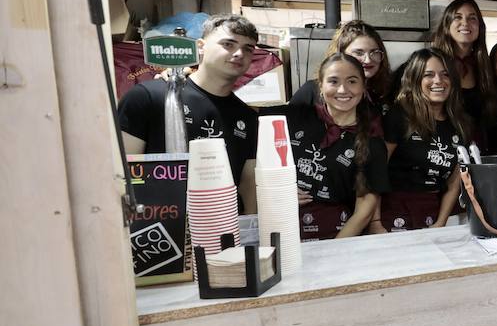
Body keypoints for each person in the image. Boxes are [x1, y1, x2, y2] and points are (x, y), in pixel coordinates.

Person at [118, 13, 260, 212]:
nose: (239, 53)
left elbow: (248, 185)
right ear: (200, 46)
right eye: (228, 44)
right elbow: (122, 175)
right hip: (159, 229)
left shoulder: (248, 118)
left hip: (222, 229)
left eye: (247, 49)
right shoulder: (148, 97)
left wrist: (251, 231)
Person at [285, 53, 389, 240]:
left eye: (352, 81)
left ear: (363, 87)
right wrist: (279, 191)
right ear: (321, 86)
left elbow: (363, 212)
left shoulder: (372, 141)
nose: (343, 89)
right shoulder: (296, 118)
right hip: (284, 229)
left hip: (337, 232)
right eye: (333, 81)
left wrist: (334, 249)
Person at [380, 49, 473, 232]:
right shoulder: (399, 117)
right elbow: (376, 171)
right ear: (415, 80)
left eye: (445, 74)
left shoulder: (461, 124)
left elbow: (454, 183)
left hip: (433, 210)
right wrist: (375, 222)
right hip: (394, 210)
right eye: (428, 75)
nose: (438, 81)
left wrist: (441, 223)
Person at [291, 21, 392, 124]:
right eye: (358, 53)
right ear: (340, 54)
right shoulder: (311, 91)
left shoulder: (382, 95)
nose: (368, 60)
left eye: (374, 52)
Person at [429, 0, 497, 142]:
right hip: (439, 148)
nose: (465, 23)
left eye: (472, 18)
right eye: (457, 17)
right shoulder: (431, 62)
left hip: (477, 150)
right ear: (447, 26)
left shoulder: (485, 66)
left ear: (479, 27)